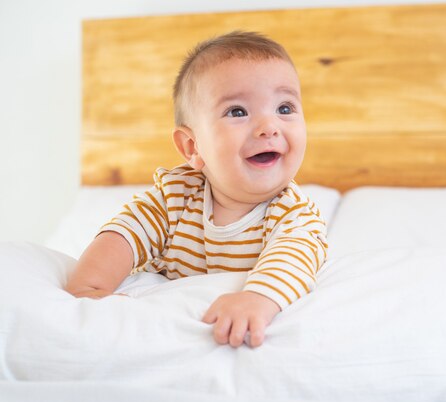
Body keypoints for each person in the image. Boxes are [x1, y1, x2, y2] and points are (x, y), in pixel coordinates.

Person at [65, 31, 328, 349]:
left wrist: (257, 297)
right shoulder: (174, 197)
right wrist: (90, 289)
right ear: (192, 146)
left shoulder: (293, 212)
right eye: (237, 112)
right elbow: (123, 234)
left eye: (285, 108)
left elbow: (294, 256)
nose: (269, 127)